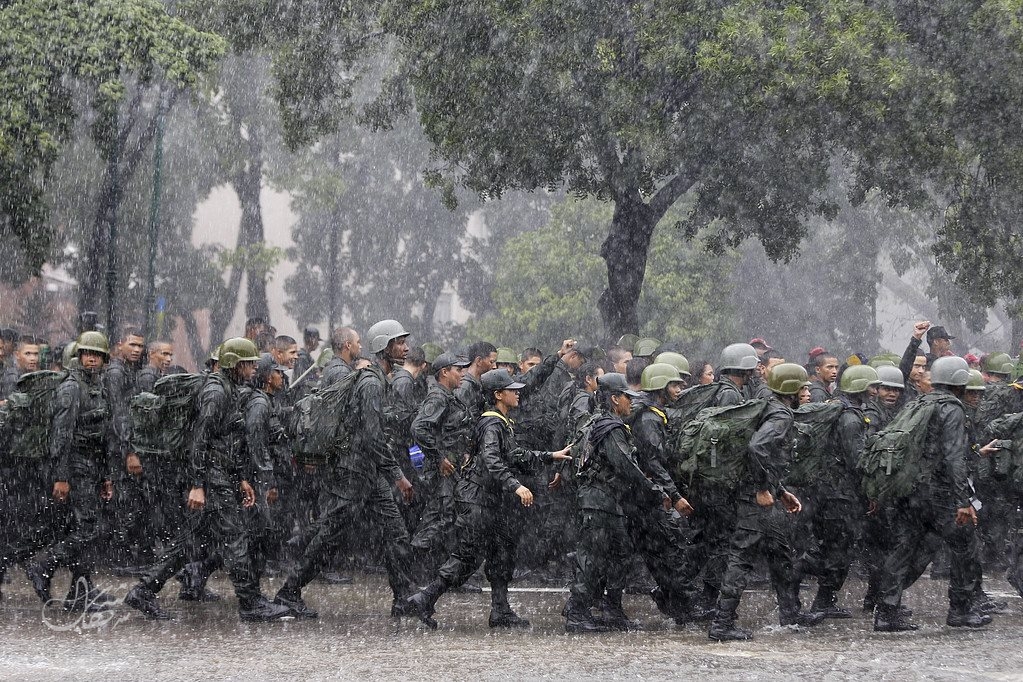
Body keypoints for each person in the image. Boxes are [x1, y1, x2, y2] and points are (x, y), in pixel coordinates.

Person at [124, 337, 292, 621]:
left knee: (190, 542)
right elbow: (199, 441)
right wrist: (198, 485)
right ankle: (250, 603)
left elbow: (225, 441)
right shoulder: (216, 391)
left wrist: (240, 478)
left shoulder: (229, 388)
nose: (254, 368)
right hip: (211, 478)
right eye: (248, 363)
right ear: (234, 364)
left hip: (219, 474)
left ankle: (143, 591)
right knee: (235, 538)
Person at [406, 369, 572, 629]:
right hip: (477, 500)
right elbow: (492, 460)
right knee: (468, 556)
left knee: (502, 551)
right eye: (512, 390)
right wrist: (517, 486)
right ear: (498, 395)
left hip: (488, 501)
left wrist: (550, 455)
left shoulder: (500, 422)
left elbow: (515, 454)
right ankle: (425, 598)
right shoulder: (493, 424)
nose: (517, 393)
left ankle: (500, 610)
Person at [272, 320, 416, 619]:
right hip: (353, 473)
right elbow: (372, 436)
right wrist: (398, 476)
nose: (405, 348)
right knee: (329, 536)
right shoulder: (371, 383)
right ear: (385, 346)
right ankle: (289, 591)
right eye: (400, 342)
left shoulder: (375, 379)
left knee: (396, 532)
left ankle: (403, 598)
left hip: (367, 472)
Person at [873, 356, 995, 631]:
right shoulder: (952, 409)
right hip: (939, 493)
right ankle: (961, 610)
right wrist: (963, 501)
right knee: (964, 545)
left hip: (909, 489)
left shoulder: (919, 403)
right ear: (960, 382)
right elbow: (953, 457)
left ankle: (886, 611)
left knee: (904, 548)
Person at [708, 363, 824, 641]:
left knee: (780, 552)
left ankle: (790, 613)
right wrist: (762, 488)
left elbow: (766, 458)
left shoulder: (769, 406)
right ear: (791, 390)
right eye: (802, 388)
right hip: (755, 497)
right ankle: (722, 623)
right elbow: (757, 448)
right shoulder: (780, 414)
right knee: (741, 557)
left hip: (762, 493)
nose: (806, 392)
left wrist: (780, 491)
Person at [20, 332, 120, 611]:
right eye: (87, 353)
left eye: (97, 355)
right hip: (75, 465)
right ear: (79, 355)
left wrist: (106, 476)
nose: (92, 359)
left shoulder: (96, 385)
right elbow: (61, 437)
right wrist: (61, 477)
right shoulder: (72, 388)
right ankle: (43, 564)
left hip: (91, 466)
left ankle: (80, 592)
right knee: (89, 527)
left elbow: (102, 433)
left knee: (80, 527)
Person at [562, 373, 669, 633]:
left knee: (619, 553)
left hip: (605, 501)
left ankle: (611, 608)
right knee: (592, 557)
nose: (631, 402)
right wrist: (655, 491)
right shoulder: (611, 428)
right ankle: (578, 612)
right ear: (614, 399)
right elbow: (626, 465)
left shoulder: (595, 422)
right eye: (626, 397)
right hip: (600, 501)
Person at [801, 364, 880, 619]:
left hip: (833, 491)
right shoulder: (851, 418)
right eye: (872, 386)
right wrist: (871, 490)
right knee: (839, 549)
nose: (875, 391)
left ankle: (822, 596)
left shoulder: (845, 410)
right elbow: (857, 461)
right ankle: (819, 596)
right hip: (840, 495)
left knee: (834, 547)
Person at [410, 353, 472, 574]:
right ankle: (413, 563)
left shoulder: (448, 396)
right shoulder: (438, 398)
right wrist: (439, 458)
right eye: (458, 369)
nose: (463, 374)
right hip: (442, 470)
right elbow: (419, 428)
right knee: (441, 518)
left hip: (451, 467)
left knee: (446, 517)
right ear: (445, 372)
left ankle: (441, 572)